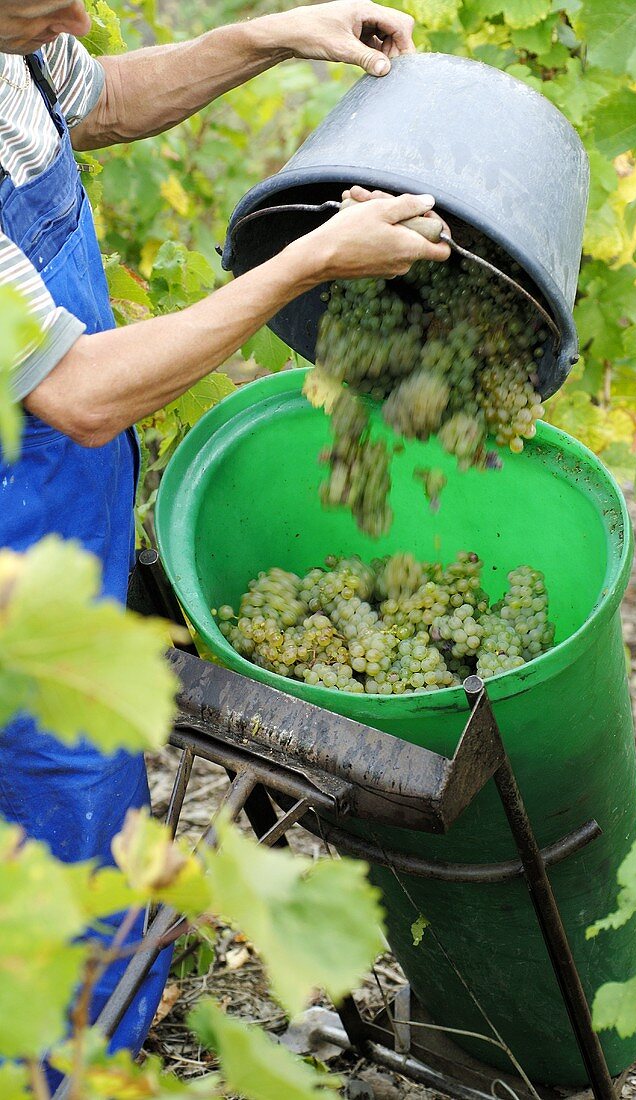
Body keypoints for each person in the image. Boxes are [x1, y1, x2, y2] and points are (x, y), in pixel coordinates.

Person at [0, 0, 450, 1083]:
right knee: (55, 805)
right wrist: (307, 263)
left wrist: (274, 34)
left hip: (60, 507)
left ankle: (92, 1029)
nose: (81, 12)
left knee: (92, 798)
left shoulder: (18, 37)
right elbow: (78, 391)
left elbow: (94, 97)